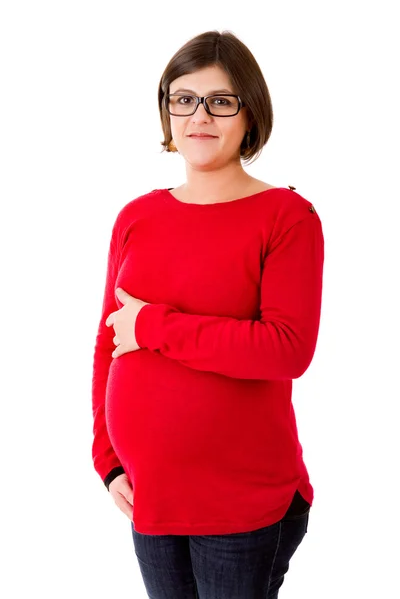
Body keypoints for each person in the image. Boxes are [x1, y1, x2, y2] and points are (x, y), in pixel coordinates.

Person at [91, 29, 324, 599]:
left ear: (251, 114)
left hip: (243, 501)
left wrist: (154, 326)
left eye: (221, 101)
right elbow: (107, 343)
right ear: (167, 111)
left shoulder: (287, 217)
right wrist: (107, 459)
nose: (200, 116)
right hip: (152, 493)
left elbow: (285, 348)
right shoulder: (136, 217)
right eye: (183, 98)